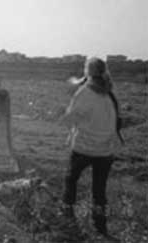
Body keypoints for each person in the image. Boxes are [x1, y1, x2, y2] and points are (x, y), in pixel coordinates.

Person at [60, 57, 122, 235]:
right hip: (106, 150)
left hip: (84, 148)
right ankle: (101, 226)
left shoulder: (85, 92)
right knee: (99, 190)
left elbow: (69, 119)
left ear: (88, 71)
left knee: (71, 179)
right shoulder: (109, 92)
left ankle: (67, 213)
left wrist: (70, 104)